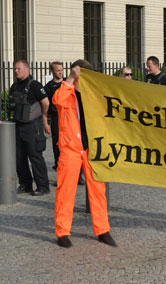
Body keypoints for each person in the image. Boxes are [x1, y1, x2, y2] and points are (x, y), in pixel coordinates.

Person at [52, 59, 116, 248]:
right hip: (70, 148)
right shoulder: (67, 91)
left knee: (98, 191)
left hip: (91, 148)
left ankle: (102, 230)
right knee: (66, 191)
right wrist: (71, 78)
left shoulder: (93, 94)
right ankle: (62, 232)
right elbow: (57, 100)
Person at [9, 60, 51, 196]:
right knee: (19, 158)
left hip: (32, 126)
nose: (16, 71)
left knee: (35, 156)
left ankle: (43, 186)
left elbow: (45, 102)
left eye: (19, 69)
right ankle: (25, 185)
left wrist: (42, 117)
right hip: (18, 126)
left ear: (27, 69)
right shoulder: (14, 87)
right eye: (15, 69)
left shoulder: (34, 85)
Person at [45, 62, 86, 186]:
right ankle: (62, 174)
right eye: (57, 70)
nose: (60, 72)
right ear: (52, 71)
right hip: (59, 120)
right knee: (58, 150)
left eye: (61, 70)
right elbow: (52, 102)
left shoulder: (75, 87)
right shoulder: (52, 86)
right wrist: (46, 121)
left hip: (76, 127)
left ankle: (78, 175)